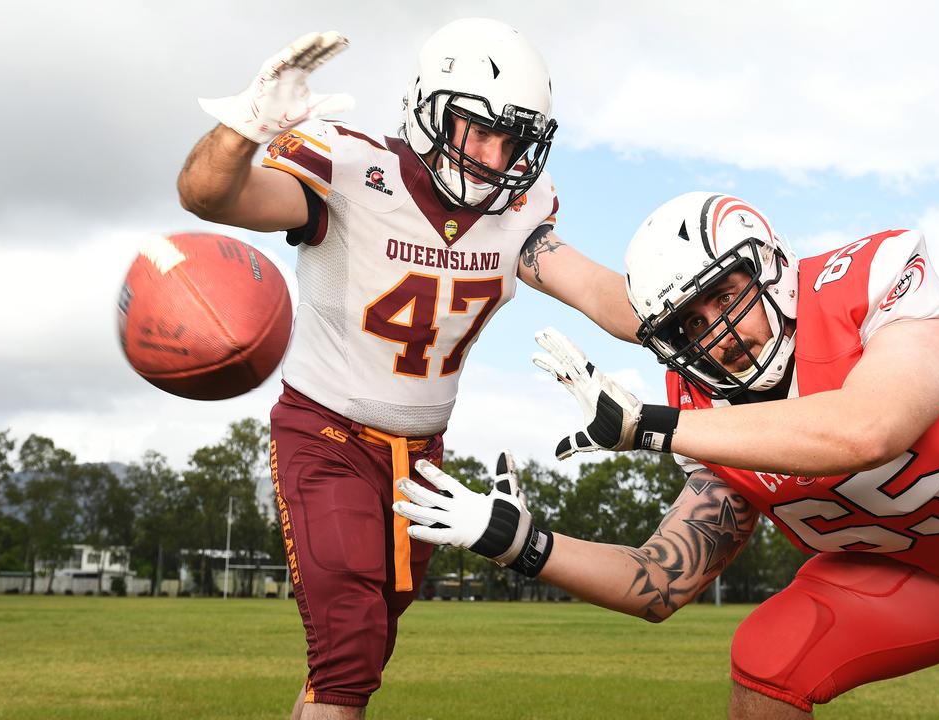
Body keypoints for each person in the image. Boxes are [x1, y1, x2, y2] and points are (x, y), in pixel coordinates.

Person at [394, 192, 939, 719]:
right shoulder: (705, 413)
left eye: (727, 297)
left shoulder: (875, 286)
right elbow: (659, 582)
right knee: (769, 659)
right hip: (923, 577)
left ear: (773, 269)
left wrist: (651, 425)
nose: (719, 332)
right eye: (688, 325)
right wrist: (510, 536)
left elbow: (872, 428)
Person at [176, 20, 638, 720]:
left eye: (514, 141)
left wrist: (696, 317)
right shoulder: (348, 167)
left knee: (360, 652)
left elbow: (604, 294)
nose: (495, 155)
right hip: (326, 435)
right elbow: (208, 196)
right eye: (477, 130)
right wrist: (244, 130)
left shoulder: (519, 210)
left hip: (422, 458)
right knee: (348, 651)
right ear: (429, 109)